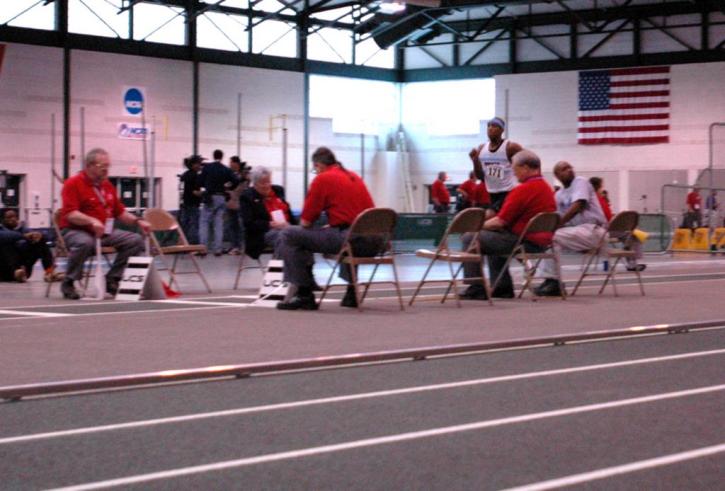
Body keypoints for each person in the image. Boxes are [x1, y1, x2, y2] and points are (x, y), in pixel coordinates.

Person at [276, 147, 376, 310]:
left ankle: (304, 293)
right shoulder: (354, 176)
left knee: (289, 234)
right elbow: (358, 216)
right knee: (349, 236)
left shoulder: (323, 179)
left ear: (318, 166)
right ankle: (351, 293)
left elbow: (306, 222)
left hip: (350, 240)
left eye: (315, 169)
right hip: (375, 242)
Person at [459, 150, 556, 300]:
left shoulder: (522, 190)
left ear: (525, 168)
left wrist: (477, 226)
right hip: (543, 243)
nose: (514, 173)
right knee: (493, 240)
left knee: (470, 237)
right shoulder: (547, 189)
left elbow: (500, 221)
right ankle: (501, 288)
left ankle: (476, 287)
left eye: (515, 168)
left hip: (523, 242)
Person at [58, 148, 151, 300]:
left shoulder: (107, 185)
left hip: (104, 232)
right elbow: (71, 214)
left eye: (108, 166)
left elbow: (120, 212)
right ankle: (69, 281)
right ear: (90, 165)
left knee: (134, 240)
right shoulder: (73, 183)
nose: (106, 170)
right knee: (84, 242)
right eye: (103, 166)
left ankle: (113, 278)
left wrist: (138, 221)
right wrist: (91, 220)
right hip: (75, 230)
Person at [534, 162, 608, 296]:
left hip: (595, 231)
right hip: (579, 233)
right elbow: (554, 216)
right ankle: (552, 280)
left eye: (570, 167)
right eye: (564, 169)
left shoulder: (580, 182)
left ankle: (553, 281)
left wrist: (556, 225)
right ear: (557, 175)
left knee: (552, 236)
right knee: (548, 238)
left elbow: (578, 206)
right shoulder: (558, 195)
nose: (569, 170)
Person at [590, 176, 646, 272]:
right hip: (603, 230)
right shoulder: (598, 200)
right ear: (598, 187)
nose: (602, 189)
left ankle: (628, 250)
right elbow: (605, 217)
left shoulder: (595, 199)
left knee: (630, 234)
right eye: (602, 186)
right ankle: (631, 261)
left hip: (602, 228)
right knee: (634, 234)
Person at [468, 117, 523, 216]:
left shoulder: (510, 147)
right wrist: (475, 161)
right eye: (488, 126)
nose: (490, 128)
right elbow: (481, 177)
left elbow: (529, 160)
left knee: (488, 218)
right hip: (492, 193)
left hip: (509, 191)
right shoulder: (481, 149)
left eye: (494, 126)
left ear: (502, 130)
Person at [240, 166, 297, 260]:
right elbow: (248, 223)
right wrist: (270, 224)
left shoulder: (278, 190)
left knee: (302, 236)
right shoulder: (247, 196)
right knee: (284, 237)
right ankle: (277, 271)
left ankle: (306, 271)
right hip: (264, 233)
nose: (267, 185)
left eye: (269, 181)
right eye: (263, 183)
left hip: (287, 227)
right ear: (255, 183)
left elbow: (289, 213)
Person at [0, 209, 63, 282]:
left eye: (15, 216)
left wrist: (38, 235)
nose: (13, 219)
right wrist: (23, 236)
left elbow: (47, 237)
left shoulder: (24, 229)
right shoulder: (2, 230)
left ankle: (49, 272)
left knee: (39, 240)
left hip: (24, 267)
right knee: (6, 242)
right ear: (3, 220)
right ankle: (16, 272)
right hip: (6, 270)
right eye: (9, 217)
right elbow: (4, 236)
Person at [198, 149, 240, 256]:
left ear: (213, 156)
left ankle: (203, 248)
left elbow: (200, 181)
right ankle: (218, 249)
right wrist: (227, 186)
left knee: (204, 222)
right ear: (222, 157)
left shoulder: (207, 167)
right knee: (219, 223)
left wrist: (206, 186)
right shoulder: (225, 169)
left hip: (210, 197)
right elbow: (236, 181)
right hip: (221, 197)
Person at [224, 156, 248, 255]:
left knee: (242, 226)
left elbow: (242, 187)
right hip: (230, 203)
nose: (230, 164)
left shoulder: (244, 175)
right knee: (232, 226)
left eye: (231, 162)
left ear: (236, 163)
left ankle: (243, 247)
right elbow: (226, 186)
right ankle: (234, 246)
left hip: (240, 203)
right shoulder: (230, 174)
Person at [179, 155, 203, 244]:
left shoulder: (185, 174)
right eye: (199, 164)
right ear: (194, 164)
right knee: (194, 224)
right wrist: (204, 194)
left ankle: (183, 242)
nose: (200, 166)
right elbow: (195, 191)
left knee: (185, 224)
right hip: (193, 203)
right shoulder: (195, 176)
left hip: (185, 203)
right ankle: (193, 244)